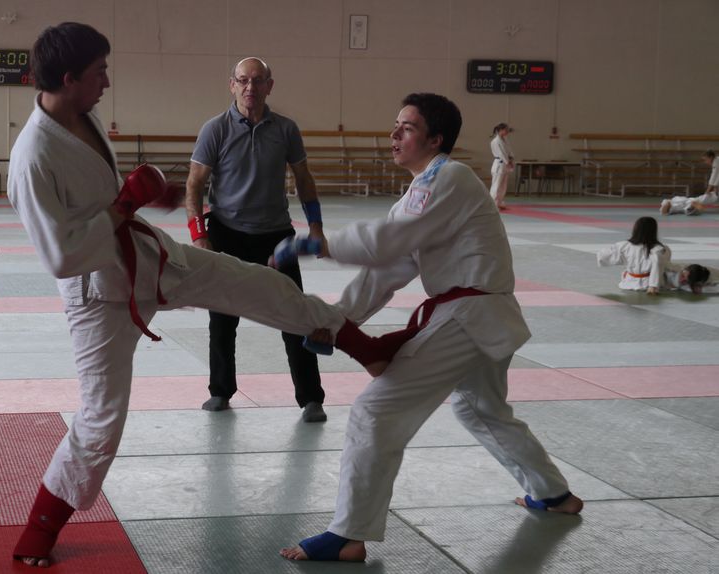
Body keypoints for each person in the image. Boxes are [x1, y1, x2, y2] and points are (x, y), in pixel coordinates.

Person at [7, 22, 397, 568]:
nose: (107, 81)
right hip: (98, 296)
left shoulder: (82, 115)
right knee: (100, 421)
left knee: (259, 282)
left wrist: (158, 196)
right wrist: (123, 207)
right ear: (69, 78)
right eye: (99, 72)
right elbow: (61, 256)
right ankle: (38, 534)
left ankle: (359, 344)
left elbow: (109, 200)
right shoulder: (32, 156)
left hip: (148, 259)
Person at [279, 93, 583, 563]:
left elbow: (388, 241)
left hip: (467, 315)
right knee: (482, 409)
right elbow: (392, 265)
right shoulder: (427, 187)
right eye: (395, 125)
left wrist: (321, 243)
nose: (395, 134)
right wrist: (339, 319)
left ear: (435, 139)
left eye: (408, 127)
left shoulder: (446, 176)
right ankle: (554, 494)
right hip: (481, 316)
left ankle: (348, 535)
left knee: (374, 412)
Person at [185, 57, 327, 423]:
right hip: (225, 232)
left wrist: (316, 227)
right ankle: (220, 391)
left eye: (258, 80)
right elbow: (194, 184)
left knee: (295, 314)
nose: (251, 87)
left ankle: (311, 398)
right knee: (222, 317)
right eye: (243, 80)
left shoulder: (286, 129)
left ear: (270, 86)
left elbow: (304, 178)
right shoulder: (214, 129)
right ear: (231, 84)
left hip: (276, 237)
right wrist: (199, 237)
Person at [596, 216, 671, 294]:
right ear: (654, 231)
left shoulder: (624, 246)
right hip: (648, 284)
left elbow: (603, 256)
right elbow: (658, 265)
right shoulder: (659, 249)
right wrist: (653, 285)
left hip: (628, 283)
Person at [660, 149, 719, 215]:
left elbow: (714, 177)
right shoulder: (716, 162)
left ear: (710, 157)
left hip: (686, 202)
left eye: (705, 159)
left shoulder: (716, 162)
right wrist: (713, 189)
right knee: (704, 198)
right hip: (686, 201)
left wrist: (709, 190)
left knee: (704, 198)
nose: (705, 162)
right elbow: (715, 177)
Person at [488, 122, 514, 210]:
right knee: (496, 185)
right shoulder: (495, 141)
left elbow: (509, 151)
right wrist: (508, 162)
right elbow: (501, 153)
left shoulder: (505, 140)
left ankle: (499, 202)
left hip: (505, 165)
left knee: (503, 185)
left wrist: (511, 158)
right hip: (499, 164)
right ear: (501, 130)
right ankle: (492, 204)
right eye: (506, 130)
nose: (507, 131)